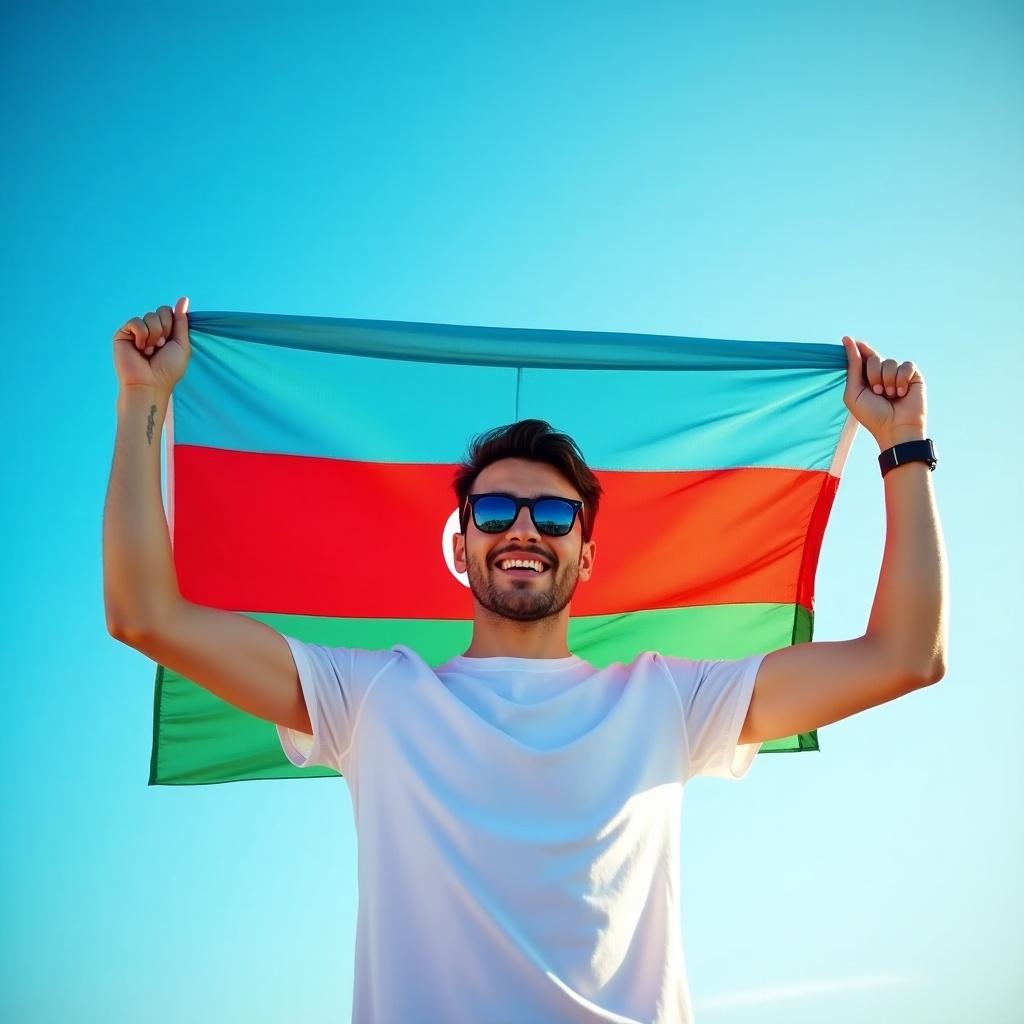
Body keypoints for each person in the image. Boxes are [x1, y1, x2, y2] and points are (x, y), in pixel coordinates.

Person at [104, 297, 948, 1024]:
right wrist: (143, 398)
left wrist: (902, 444)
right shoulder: (368, 695)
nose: (523, 528)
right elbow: (146, 616)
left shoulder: (670, 700)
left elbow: (906, 657)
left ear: (585, 555)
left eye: (554, 514)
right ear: (462, 545)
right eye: (496, 507)